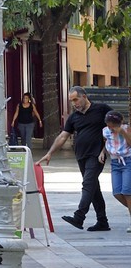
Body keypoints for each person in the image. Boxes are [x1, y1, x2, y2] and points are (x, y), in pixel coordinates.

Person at [41, 86, 114, 231]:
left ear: (84, 96)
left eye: (76, 99)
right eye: (71, 101)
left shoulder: (102, 109)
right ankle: (102, 221)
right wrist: (50, 153)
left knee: (88, 184)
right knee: (94, 188)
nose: (74, 103)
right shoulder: (74, 117)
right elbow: (63, 136)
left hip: (96, 155)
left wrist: (104, 150)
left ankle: (79, 217)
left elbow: (114, 129)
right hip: (81, 156)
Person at [105, 111, 131, 230]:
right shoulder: (105, 131)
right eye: (109, 125)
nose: (111, 128)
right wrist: (102, 152)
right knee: (117, 192)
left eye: (113, 125)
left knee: (127, 192)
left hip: (127, 160)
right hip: (115, 162)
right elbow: (107, 142)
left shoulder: (126, 129)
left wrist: (123, 132)